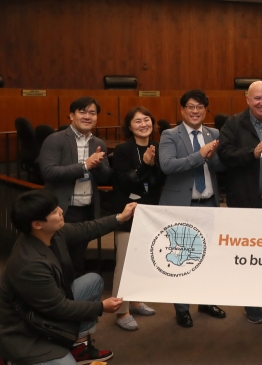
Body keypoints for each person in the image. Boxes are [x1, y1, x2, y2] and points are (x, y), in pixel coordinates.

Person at [0, 190, 135, 365]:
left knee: (92, 282)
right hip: (26, 330)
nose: (61, 211)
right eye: (54, 211)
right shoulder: (29, 264)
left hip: (45, 311)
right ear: (37, 224)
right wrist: (101, 307)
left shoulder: (52, 233)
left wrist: (120, 217)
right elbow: (59, 308)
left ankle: (78, 346)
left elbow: (87, 229)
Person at [218, 81, 262, 323]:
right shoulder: (234, 124)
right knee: (249, 255)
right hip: (246, 202)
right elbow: (224, 154)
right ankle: (251, 303)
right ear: (248, 99)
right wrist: (252, 154)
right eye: (257, 98)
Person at [158, 89, 227, 328]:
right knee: (182, 257)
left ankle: (206, 302)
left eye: (200, 107)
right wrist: (199, 155)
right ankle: (182, 308)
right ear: (182, 110)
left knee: (207, 257)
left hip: (208, 203)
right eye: (191, 106)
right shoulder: (170, 135)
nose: (195, 111)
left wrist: (214, 155)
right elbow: (167, 166)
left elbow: (219, 166)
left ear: (205, 110)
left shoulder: (214, 133)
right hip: (181, 206)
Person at [39, 96, 112, 278]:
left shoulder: (98, 143)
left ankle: (76, 302)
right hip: (62, 210)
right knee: (57, 261)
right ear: (71, 115)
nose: (87, 116)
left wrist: (99, 165)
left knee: (78, 261)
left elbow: (105, 177)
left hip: (85, 210)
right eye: (82, 111)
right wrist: (85, 166)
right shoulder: (55, 140)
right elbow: (49, 172)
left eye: (92, 113)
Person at [111, 106, 165, 331]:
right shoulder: (122, 150)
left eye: (147, 119)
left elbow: (159, 182)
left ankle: (134, 301)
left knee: (142, 261)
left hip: (151, 212)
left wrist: (151, 168)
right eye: (137, 121)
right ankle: (121, 311)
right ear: (129, 127)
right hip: (129, 212)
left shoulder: (161, 148)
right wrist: (145, 165)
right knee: (124, 263)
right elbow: (127, 181)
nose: (144, 124)